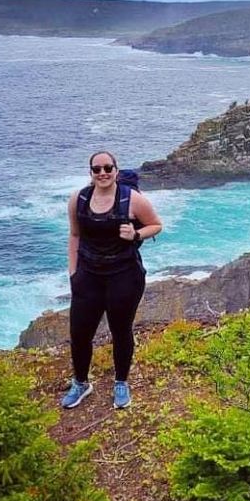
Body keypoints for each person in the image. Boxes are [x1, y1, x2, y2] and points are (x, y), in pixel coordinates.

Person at [62, 151, 163, 409]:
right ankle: (81, 383)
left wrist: (136, 234)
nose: (103, 173)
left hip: (124, 275)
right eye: (97, 169)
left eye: (108, 168)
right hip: (88, 276)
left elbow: (156, 225)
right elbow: (74, 235)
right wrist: (73, 272)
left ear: (116, 171)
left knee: (121, 331)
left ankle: (121, 382)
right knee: (80, 333)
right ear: (91, 173)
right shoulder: (79, 199)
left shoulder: (132, 199)